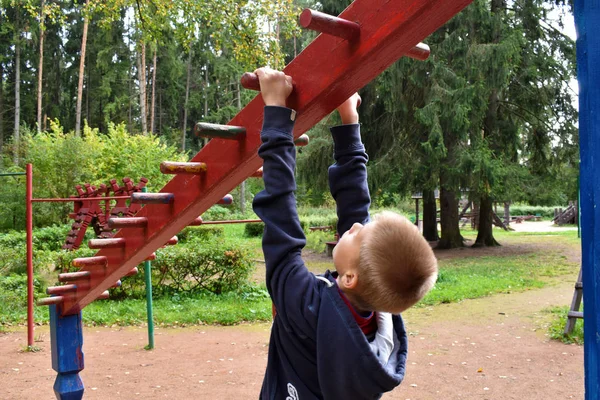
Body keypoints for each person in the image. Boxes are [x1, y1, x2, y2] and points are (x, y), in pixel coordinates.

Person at [252, 67, 438, 400]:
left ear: (350, 278)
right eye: (362, 227)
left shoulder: (306, 305)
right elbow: (355, 205)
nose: (354, 226)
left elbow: (281, 219)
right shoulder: (373, 316)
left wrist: (277, 114)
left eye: (357, 235)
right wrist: (349, 120)